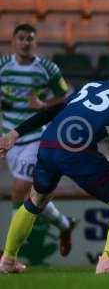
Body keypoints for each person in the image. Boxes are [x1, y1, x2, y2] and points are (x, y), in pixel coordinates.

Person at [0, 55, 109, 274]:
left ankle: (8, 260)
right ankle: (107, 262)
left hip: (48, 142)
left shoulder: (92, 85)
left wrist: (15, 132)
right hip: (76, 149)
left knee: (36, 200)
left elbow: (54, 110)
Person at [0, 23, 77, 257]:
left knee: (18, 190)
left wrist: (44, 105)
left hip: (35, 136)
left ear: (36, 42)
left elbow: (68, 95)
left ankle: (10, 252)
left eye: (30, 39)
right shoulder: (3, 66)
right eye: (21, 38)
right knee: (32, 195)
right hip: (9, 137)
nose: (26, 42)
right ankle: (64, 224)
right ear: (13, 41)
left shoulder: (46, 68)